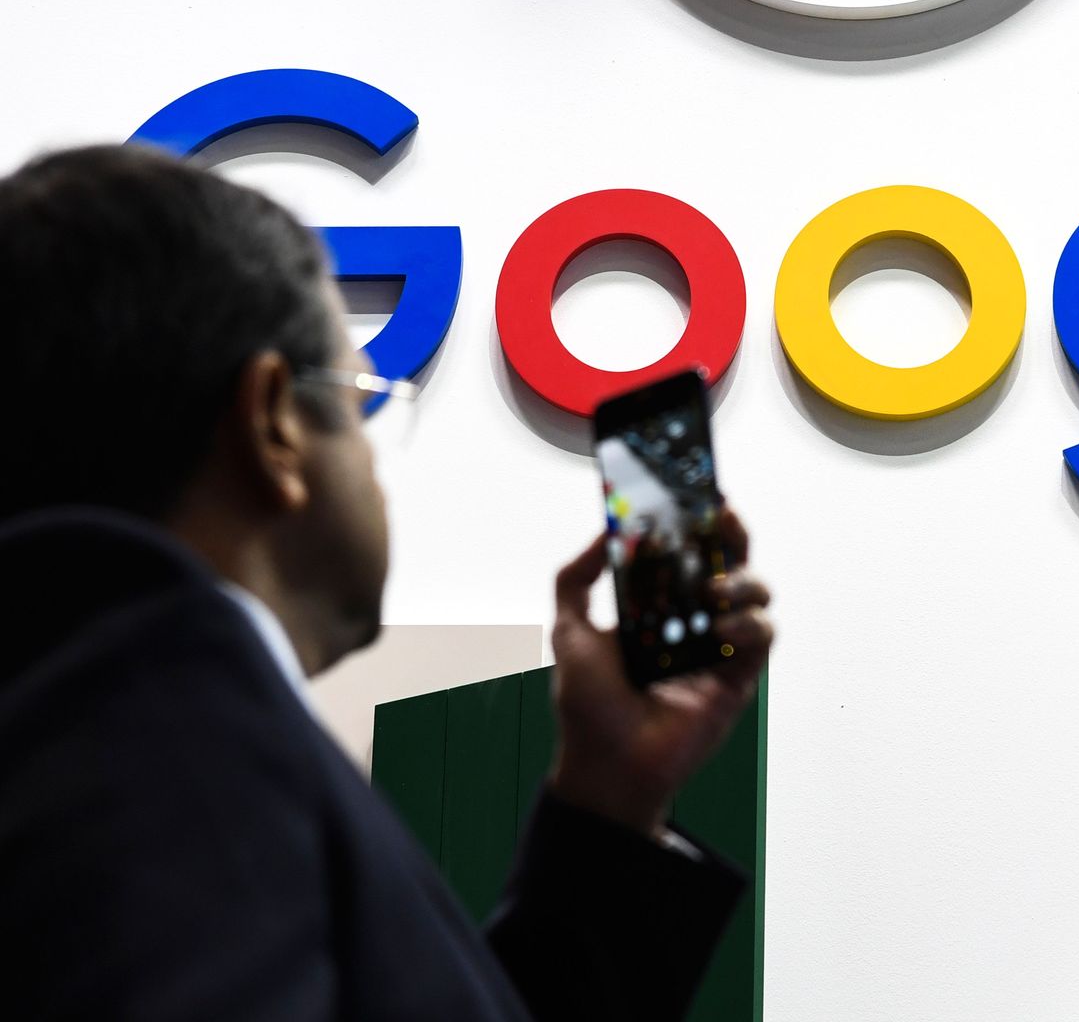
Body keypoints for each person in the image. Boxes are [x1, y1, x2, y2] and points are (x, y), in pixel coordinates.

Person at [0, 144, 774, 1020]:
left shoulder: (81, 731)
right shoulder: (170, 754)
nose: (373, 464)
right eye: (363, 395)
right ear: (272, 425)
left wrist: (611, 798)